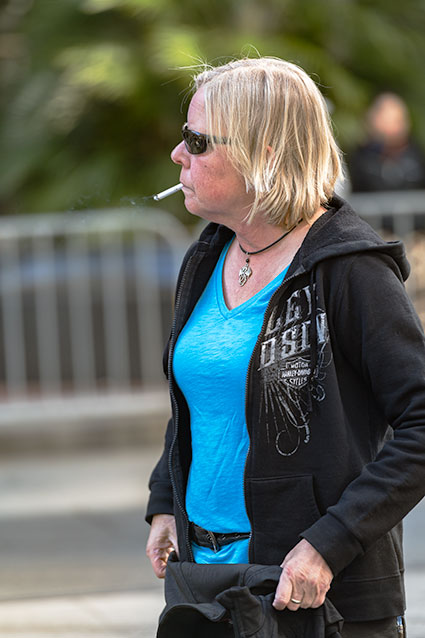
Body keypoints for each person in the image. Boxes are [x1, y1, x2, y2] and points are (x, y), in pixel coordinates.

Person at [146, 57, 425, 637]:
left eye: (197, 141)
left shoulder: (350, 269)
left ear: (264, 155)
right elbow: (203, 399)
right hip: (207, 583)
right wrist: (166, 499)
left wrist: (328, 543)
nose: (178, 155)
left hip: (315, 595)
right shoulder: (207, 256)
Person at [347, 92, 425, 192]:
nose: (393, 128)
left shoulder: (417, 158)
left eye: (397, 120)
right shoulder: (361, 161)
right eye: (386, 121)